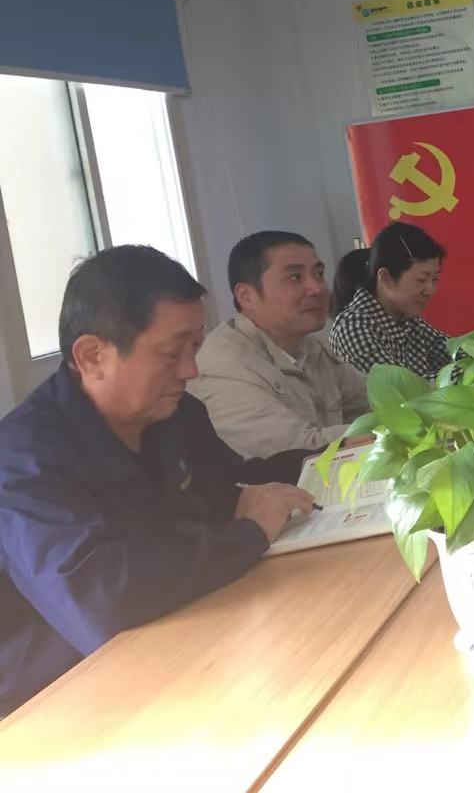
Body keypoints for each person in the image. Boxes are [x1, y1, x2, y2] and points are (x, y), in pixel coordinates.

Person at [0, 246, 314, 718]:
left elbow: (230, 486)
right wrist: (247, 535)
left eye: (195, 347)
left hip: (190, 638)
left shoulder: (177, 413)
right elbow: (100, 599)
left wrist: (324, 460)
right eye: (171, 353)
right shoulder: (23, 460)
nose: (190, 370)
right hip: (57, 701)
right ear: (92, 356)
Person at [190, 231, 369, 459]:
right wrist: (390, 431)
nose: (317, 288)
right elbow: (300, 452)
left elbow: (377, 402)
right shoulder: (224, 365)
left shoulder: (309, 347)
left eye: (319, 274)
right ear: (246, 296)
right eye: (295, 278)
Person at [331, 223, 451, 379]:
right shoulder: (353, 328)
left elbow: (453, 351)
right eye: (421, 280)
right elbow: (403, 388)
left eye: (435, 279)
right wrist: (469, 374)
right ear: (386, 278)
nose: (430, 290)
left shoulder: (409, 320)